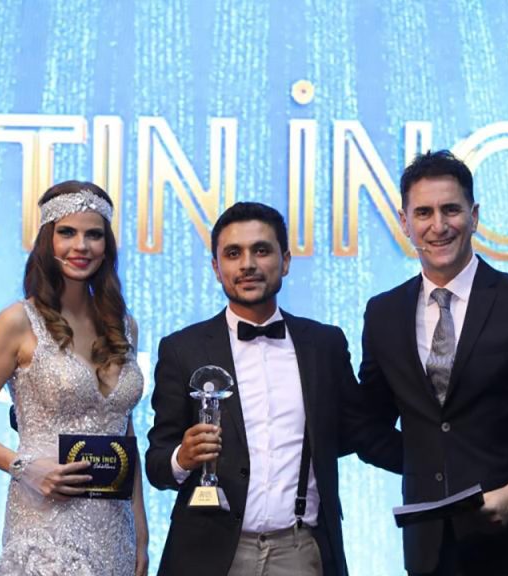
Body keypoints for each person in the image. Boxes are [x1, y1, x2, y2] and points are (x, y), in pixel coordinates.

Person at [358, 151, 508, 575]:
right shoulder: (383, 314)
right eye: (424, 212)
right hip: (433, 552)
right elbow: (370, 428)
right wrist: (434, 467)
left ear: (474, 216)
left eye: (451, 210)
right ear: (404, 222)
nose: (438, 225)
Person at [145, 202, 401, 576]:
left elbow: (363, 434)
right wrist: (182, 458)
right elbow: (157, 464)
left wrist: (445, 465)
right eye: (233, 253)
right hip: (208, 552)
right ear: (216, 267)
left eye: (261, 250)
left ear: (286, 261)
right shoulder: (182, 349)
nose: (247, 264)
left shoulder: (324, 345)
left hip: (299, 550)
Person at [0, 181, 149, 576]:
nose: (81, 246)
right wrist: (24, 467)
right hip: (44, 521)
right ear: (47, 240)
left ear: (107, 246)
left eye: (94, 235)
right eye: (67, 232)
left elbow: (125, 435)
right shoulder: (18, 321)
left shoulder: (124, 326)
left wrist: (141, 533)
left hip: (115, 528)